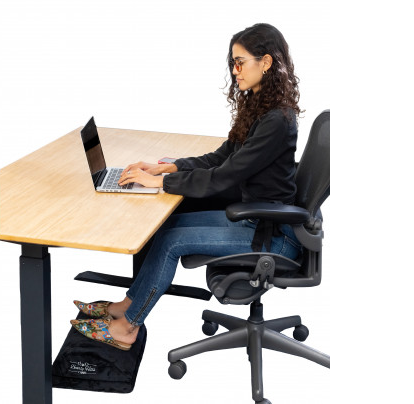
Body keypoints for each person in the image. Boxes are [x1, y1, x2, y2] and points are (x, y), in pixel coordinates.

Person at [71, 22, 303, 351]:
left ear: (265, 62)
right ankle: (127, 305)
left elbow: (226, 175)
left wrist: (161, 182)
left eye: (240, 62)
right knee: (164, 227)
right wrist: (171, 166)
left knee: (170, 242)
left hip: (273, 235)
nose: (234, 71)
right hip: (256, 220)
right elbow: (224, 155)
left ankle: (127, 328)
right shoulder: (261, 107)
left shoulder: (277, 121)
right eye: (232, 63)